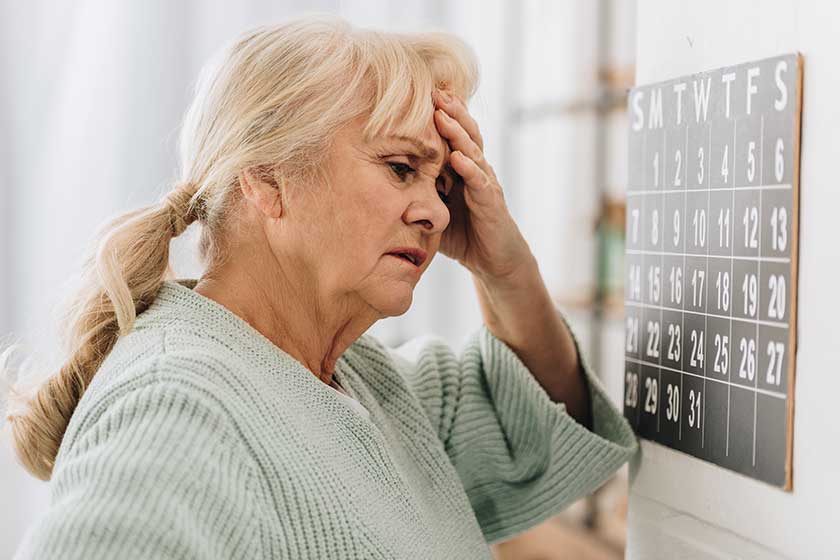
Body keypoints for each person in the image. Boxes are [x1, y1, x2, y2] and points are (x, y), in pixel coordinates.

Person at [4, 14, 638, 559]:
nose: (438, 214)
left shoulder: (367, 385)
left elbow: (532, 419)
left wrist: (506, 270)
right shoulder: (176, 406)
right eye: (401, 167)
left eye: (442, 185)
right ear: (268, 179)